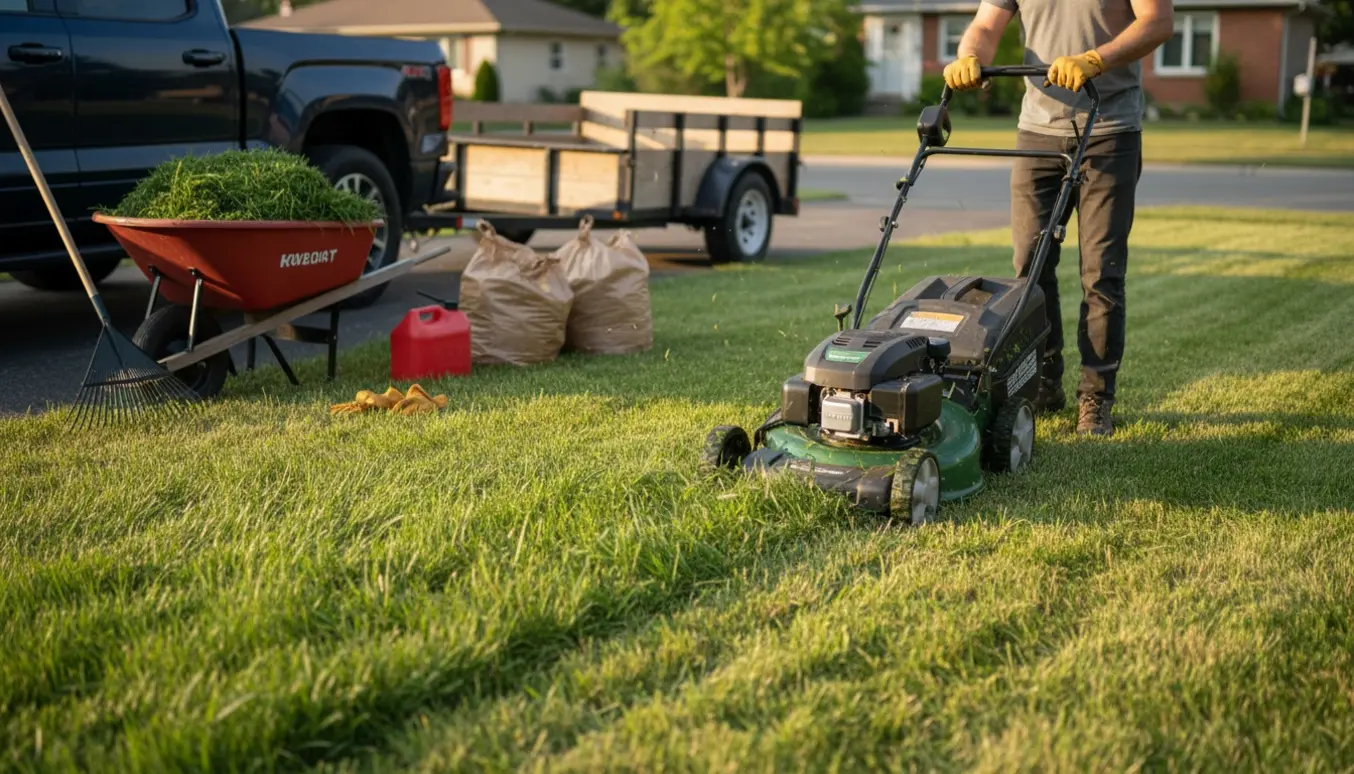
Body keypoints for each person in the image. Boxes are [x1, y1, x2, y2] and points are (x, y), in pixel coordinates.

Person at [942, 0, 1173, 436]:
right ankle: (1043, 381)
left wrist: (1095, 60)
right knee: (1030, 267)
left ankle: (1096, 398)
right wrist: (969, 57)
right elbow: (985, 28)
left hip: (1110, 130)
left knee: (1101, 273)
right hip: (1037, 132)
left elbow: (1158, 22)